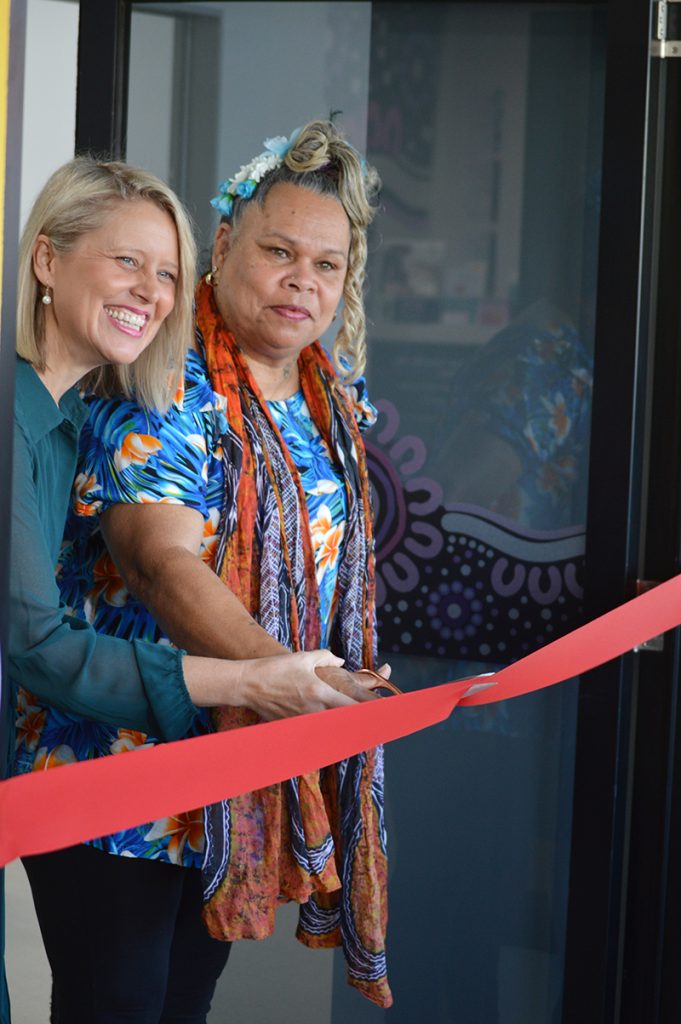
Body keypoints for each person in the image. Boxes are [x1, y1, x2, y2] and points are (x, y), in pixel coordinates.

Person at [9, 155, 375, 1024]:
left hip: (229, 762)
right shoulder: (154, 381)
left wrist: (305, 685)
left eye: (327, 264)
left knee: (177, 1009)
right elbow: (154, 568)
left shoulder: (328, 394)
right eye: (278, 249)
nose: (302, 280)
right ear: (227, 242)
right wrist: (281, 678)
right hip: (113, 764)